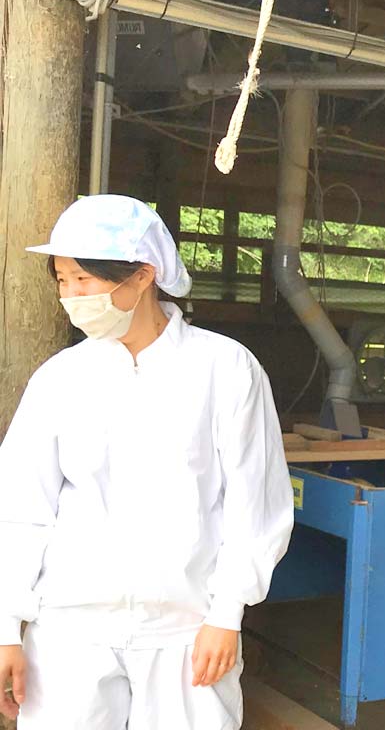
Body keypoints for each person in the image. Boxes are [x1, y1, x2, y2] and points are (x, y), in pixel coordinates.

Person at [0, 194, 294, 729]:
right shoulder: (60, 379)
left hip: (185, 633)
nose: (72, 297)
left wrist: (227, 615)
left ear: (143, 276)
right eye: (63, 281)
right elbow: (21, 509)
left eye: (84, 280)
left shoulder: (225, 369)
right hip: (69, 633)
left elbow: (255, 503)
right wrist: (5, 628)